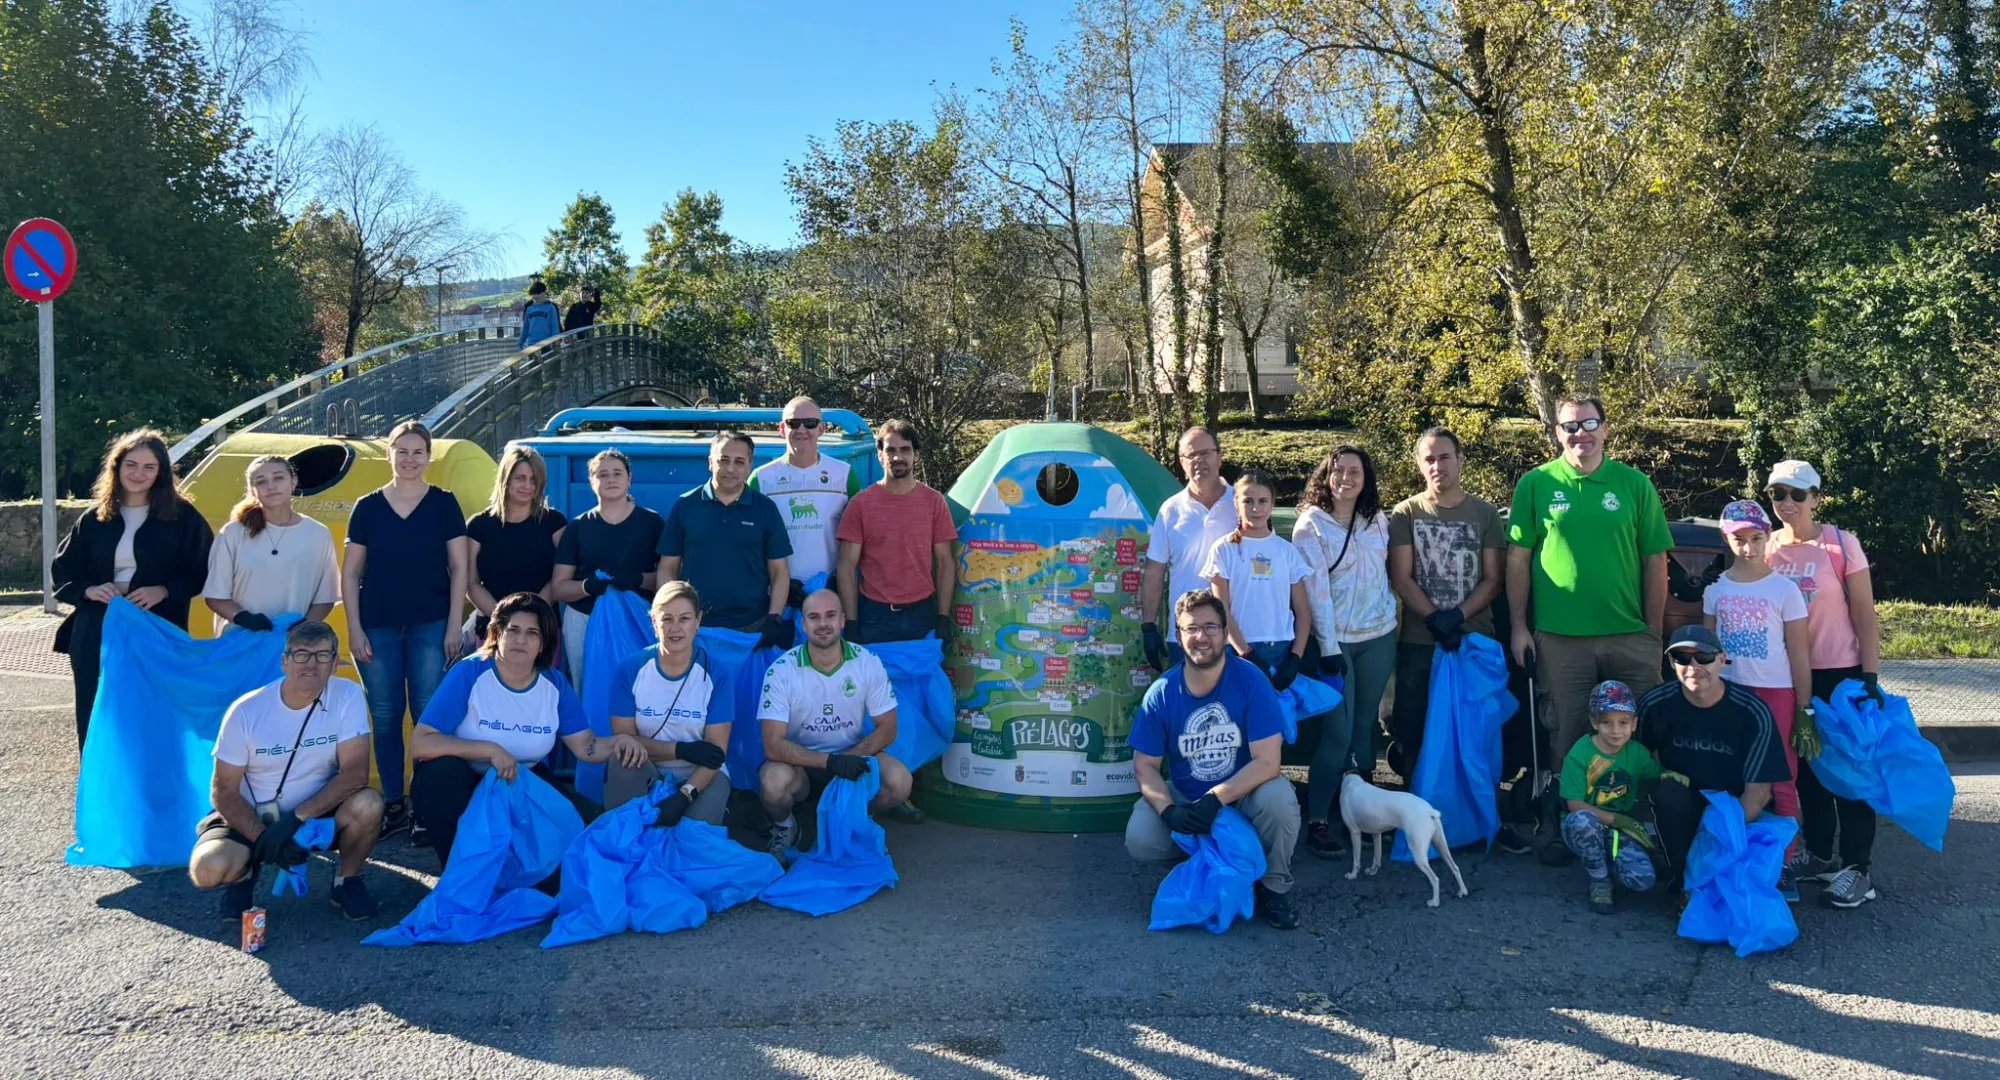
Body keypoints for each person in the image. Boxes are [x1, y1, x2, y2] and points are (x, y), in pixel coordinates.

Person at [1506, 396, 1672, 862]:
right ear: (1557, 432)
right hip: (1559, 637)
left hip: (1628, 634)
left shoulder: (1634, 484)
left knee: (1635, 734)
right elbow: (1517, 559)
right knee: (1568, 735)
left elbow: (1654, 559)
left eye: (1590, 423)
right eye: (1570, 426)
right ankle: (1568, 825)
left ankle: (1639, 824)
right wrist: (1520, 626)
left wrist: (1652, 632)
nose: (1581, 433)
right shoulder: (1536, 484)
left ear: (1605, 428)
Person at [408, 592, 645, 867]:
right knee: (440, 777)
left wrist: (619, 742)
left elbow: (585, 746)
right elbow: (421, 743)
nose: (521, 640)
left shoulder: (554, 684)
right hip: (466, 783)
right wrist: (488, 750)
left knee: (588, 830)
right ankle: (457, 874)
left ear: (544, 642)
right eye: (513, 630)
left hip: (523, 781)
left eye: (532, 633)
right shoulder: (469, 673)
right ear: (497, 633)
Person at [1125, 589, 1301, 930]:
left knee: (1280, 799)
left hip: (1243, 793)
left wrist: (1217, 798)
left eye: (1210, 627)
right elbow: (1144, 766)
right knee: (1141, 833)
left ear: (1224, 632)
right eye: (1191, 629)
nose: (1201, 637)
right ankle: (1210, 864)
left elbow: (1268, 762)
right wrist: (1168, 810)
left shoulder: (1251, 680)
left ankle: (1274, 885)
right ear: (1178, 635)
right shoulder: (1161, 692)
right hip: (1190, 797)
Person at [188, 620, 382, 920]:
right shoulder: (245, 711)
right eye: (301, 654)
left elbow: (354, 774)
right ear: (284, 661)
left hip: (314, 813)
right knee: (208, 869)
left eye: (322, 655)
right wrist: (262, 836)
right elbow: (223, 791)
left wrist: (295, 820)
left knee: (369, 804)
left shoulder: (348, 695)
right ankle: (244, 874)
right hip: (251, 814)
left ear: (335, 664)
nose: (311, 664)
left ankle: (347, 880)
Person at [1764, 459, 1886, 909]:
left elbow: (1864, 616)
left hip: (1842, 673)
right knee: (1809, 770)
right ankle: (1817, 855)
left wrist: (1870, 677)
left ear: (1816, 498)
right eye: (1779, 494)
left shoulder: (1840, 544)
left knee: (1851, 770)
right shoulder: (1768, 546)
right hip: (1790, 673)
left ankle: (1858, 868)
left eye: (1798, 494)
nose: (1787, 503)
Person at [1385, 428, 1517, 843]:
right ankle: (1414, 816)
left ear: (1460, 459)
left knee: (1478, 735)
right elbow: (1401, 577)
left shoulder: (1485, 514)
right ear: (1419, 464)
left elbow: (1494, 579)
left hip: (1474, 643)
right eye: (1429, 459)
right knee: (1414, 730)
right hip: (1421, 642)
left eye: (1444, 457)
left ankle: (1482, 817)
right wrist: (1434, 619)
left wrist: (1458, 616)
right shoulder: (1405, 513)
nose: (1437, 466)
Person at [341, 420, 471, 840]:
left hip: (431, 623)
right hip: (376, 625)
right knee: (384, 714)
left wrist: (455, 624)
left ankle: (425, 806)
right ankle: (393, 803)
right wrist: (354, 628)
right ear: (389, 455)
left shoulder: (444, 503)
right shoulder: (368, 506)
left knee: (427, 715)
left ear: (428, 457)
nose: (410, 459)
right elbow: (351, 573)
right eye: (402, 451)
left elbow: (460, 568)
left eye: (418, 452)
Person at [51, 428, 214, 750]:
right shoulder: (94, 518)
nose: (138, 473)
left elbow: (204, 569)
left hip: (157, 625)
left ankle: (153, 788)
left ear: (161, 472)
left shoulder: (183, 518)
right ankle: (101, 789)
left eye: (149, 467)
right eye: (131, 464)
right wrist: (88, 590)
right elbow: (63, 569)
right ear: (117, 467)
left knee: (153, 709)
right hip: (98, 627)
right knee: (97, 710)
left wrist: (165, 591)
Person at [1703, 499, 1813, 900]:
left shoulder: (1785, 590)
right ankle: (1733, 853)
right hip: (1729, 691)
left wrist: (1805, 708)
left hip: (1775, 692)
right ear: (1726, 539)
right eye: (1739, 539)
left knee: (1781, 776)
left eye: (1756, 538)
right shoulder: (1716, 591)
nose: (1748, 547)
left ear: (1767, 537)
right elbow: (1707, 650)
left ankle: (1785, 861)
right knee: (1731, 773)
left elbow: (1800, 654)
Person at [1293, 446, 1396, 859]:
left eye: (1355, 471)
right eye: (1338, 471)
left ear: (1366, 478)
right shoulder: (1309, 526)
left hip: (1379, 635)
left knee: (1363, 728)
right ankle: (1317, 819)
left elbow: (1386, 576)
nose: (1346, 478)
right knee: (1336, 733)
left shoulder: (1378, 520)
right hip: (1333, 645)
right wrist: (1330, 647)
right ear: (1326, 476)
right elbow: (1314, 593)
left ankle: (1364, 814)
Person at [756, 589, 913, 857]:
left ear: (842, 620)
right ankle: (786, 826)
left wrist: (850, 757)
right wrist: (829, 762)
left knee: (900, 782)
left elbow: (888, 727)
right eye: (814, 617)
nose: (823, 624)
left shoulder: (868, 662)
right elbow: (772, 745)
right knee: (773, 783)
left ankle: (856, 818)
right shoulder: (781, 671)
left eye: (830, 615)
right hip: (800, 765)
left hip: (851, 755)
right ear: (803, 625)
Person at [1637, 626, 1790, 891]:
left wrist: (1716, 844)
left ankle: (1706, 876)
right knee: (1669, 794)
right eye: (1682, 659)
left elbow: (1759, 792)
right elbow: (1636, 762)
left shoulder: (1752, 711)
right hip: (1682, 802)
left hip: (1734, 809)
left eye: (1703, 657)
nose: (1693, 666)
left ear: (1721, 659)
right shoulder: (1654, 704)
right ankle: (1680, 880)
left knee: (1734, 887)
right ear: (1672, 663)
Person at [602, 581, 733, 822]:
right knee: (622, 762)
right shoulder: (629, 670)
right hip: (646, 769)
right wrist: (679, 749)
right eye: (666, 619)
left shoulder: (717, 674)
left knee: (693, 842)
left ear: (698, 621)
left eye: (684, 619)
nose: (675, 628)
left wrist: (685, 795)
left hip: (699, 775)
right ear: (654, 622)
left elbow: (715, 754)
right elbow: (625, 742)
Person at [657, 430, 794, 651]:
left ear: (749, 466)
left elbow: (779, 572)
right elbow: (667, 568)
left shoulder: (765, 509)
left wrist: (774, 618)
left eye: (739, 462)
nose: (731, 469)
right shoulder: (685, 506)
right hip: (698, 629)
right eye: (723, 460)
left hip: (753, 627)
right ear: (710, 462)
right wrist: (674, 614)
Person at [834, 418, 957, 645]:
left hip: (921, 615)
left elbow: (945, 562)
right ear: (879, 455)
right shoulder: (861, 504)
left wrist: (942, 617)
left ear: (916, 455)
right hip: (874, 617)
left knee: (921, 680)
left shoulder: (934, 502)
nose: (898, 457)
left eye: (905, 450)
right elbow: (846, 567)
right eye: (890, 450)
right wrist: (851, 621)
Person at [552, 448, 665, 686]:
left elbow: (669, 579)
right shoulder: (578, 528)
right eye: (602, 475)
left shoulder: (652, 523)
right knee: (587, 685)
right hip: (584, 619)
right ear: (592, 482)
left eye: (617, 473)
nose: (611, 479)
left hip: (638, 617)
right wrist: (587, 586)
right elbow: (559, 588)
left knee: (640, 684)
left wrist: (638, 579)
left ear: (629, 479)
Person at [203, 454, 338, 636]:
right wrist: (243, 618)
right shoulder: (232, 533)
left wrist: (303, 628)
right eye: (261, 481)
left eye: (278, 477)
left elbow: (325, 597)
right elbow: (216, 596)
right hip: (241, 643)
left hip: (293, 648)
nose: (271, 486)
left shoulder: (318, 533)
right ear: (252, 490)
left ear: (293, 481)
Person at [1560, 681, 1665, 914]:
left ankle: (1611, 864)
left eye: (1623, 722)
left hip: (1616, 832)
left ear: (1634, 724)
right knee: (1582, 821)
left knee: (1643, 880)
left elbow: (1659, 775)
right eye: (1606, 722)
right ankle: (1599, 879)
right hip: (1587, 824)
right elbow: (1574, 804)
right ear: (1594, 722)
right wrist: (1619, 820)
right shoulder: (1580, 754)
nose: (1616, 730)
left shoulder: (1636, 752)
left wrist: (1674, 776)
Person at [1201, 470, 1312, 687]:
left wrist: (1295, 658)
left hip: (1281, 649)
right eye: (1248, 501)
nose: (1255, 508)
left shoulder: (1287, 551)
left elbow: (1303, 612)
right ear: (1236, 503)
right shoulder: (1223, 549)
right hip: (1238, 650)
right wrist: (1246, 652)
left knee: (1277, 719)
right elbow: (1221, 610)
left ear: (1272, 503)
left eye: (1263, 501)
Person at [1141, 427, 1237, 672]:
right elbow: (1155, 572)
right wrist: (1149, 627)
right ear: (1181, 463)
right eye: (1191, 455)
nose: (1199, 461)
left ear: (1220, 456)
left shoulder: (1243, 504)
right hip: (1186, 636)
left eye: (1205, 453)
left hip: (1237, 635)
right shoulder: (1170, 510)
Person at [751, 396, 859, 593]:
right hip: (778, 594)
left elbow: (857, 539)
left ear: (821, 429)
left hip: (829, 592)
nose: (802, 430)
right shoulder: (760, 479)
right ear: (782, 429)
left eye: (810, 423)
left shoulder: (844, 474)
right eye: (793, 423)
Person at [466, 445, 567, 642]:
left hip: (541, 630)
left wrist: (530, 618)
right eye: (520, 478)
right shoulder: (478, 525)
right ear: (505, 478)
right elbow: (471, 583)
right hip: (491, 629)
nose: (527, 486)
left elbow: (559, 578)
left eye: (534, 480)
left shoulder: (554, 523)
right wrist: (503, 620)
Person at [518, 281, 563, 350]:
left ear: (544, 293)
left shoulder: (551, 307)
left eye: (538, 293)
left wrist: (555, 341)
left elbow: (554, 326)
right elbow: (525, 327)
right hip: (531, 345)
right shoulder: (529, 309)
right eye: (533, 294)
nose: (535, 296)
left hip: (547, 344)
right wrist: (520, 342)